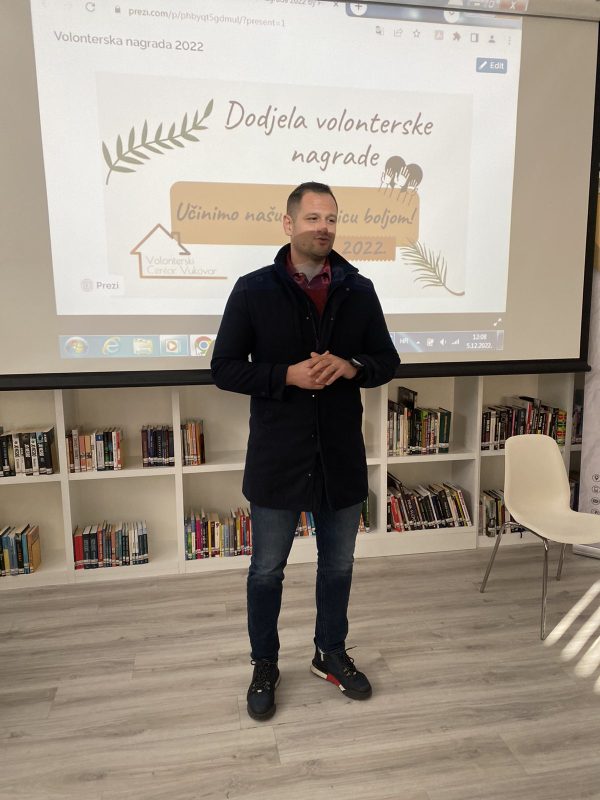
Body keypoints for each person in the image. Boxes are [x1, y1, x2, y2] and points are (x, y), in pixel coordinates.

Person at [211, 181, 400, 721]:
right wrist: (285, 376)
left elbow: (387, 360)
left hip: (339, 455)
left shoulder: (358, 288)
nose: (324, 227)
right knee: (266, 570)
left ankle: (329, 653)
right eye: (314, 217)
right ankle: (265, 664)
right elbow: (223, 368)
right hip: (278, 455)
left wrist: (352, 366)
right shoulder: (253, 289)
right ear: (289, 223)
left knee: (337, 565)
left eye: (332, 219)